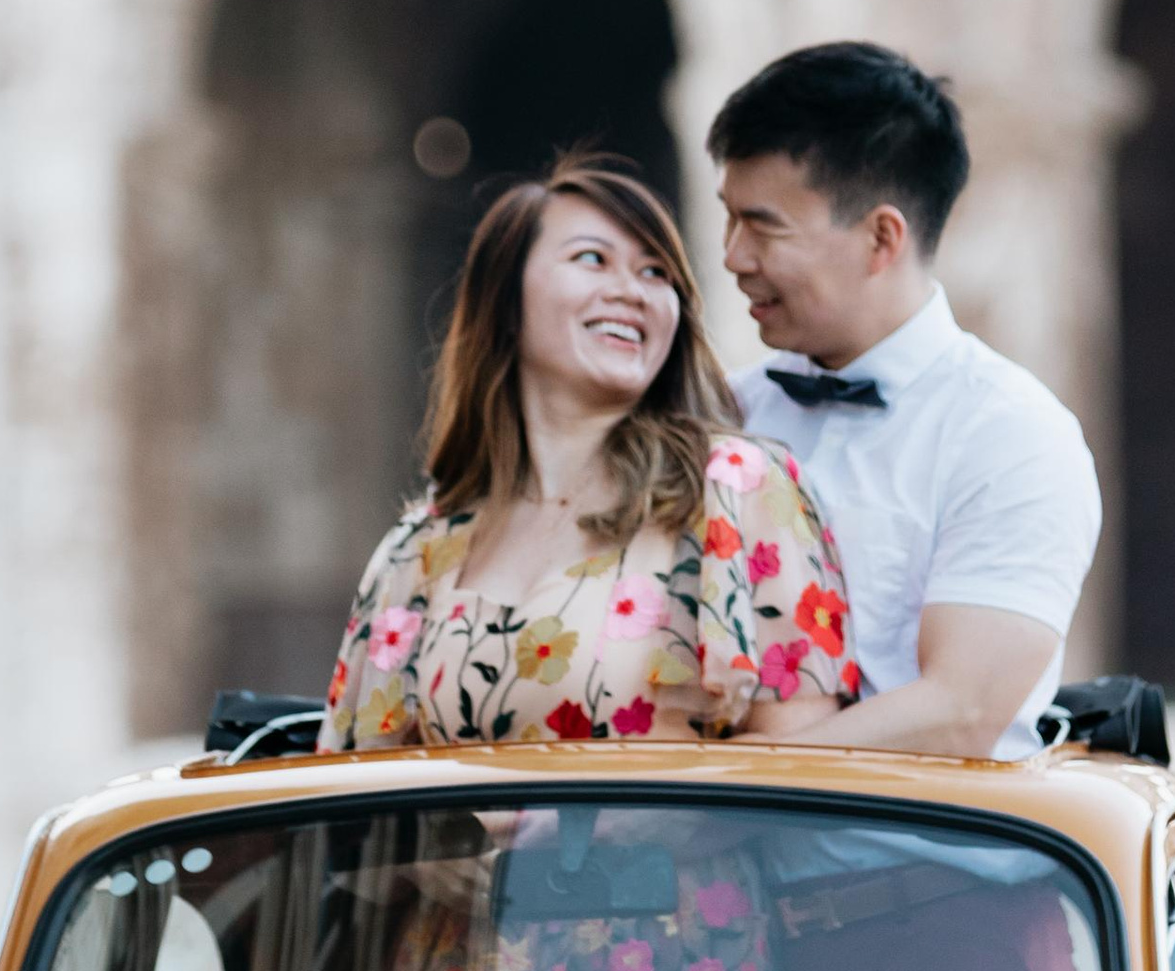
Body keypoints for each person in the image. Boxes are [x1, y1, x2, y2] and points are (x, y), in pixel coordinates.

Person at [321, 151, 859, 753]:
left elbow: (806, 765)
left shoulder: (738, 487)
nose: (631, 291)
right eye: (591, 259)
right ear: (504, 303)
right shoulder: (417, 550)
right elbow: (357, 798)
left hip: (671, 852)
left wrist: (575, 825)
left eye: (657, 273)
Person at [711, 42, 1099, 759]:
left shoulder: (1012, 435)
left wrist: (716, 796)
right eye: (729, 219)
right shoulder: (722, 412)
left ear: (881, 237)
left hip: (930, 865)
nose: (733, 256)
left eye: (762, 226)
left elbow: (961, 709)